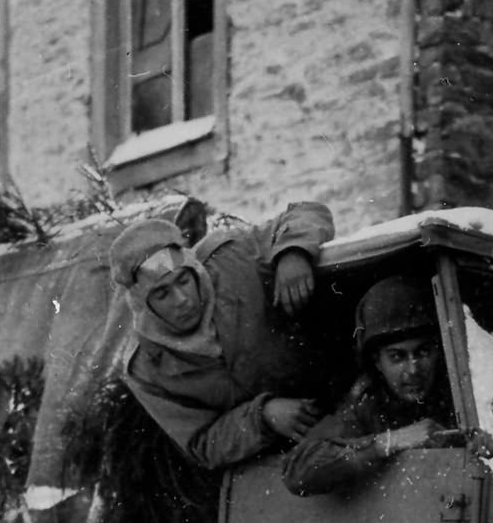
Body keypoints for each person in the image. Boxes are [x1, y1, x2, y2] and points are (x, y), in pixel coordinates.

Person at [112, 199, 335, 470]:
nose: (181, 299)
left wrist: (293, 252)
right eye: (162, 294)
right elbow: (201, 443)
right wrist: (262, 417)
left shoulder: (231, 258)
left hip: (333, 397)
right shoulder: (145, 369)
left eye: (183, 280)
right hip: (268, 455)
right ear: (144, 306)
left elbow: (307, 211)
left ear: (195, 271)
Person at [282, 276, 459, 496]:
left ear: (438, 352)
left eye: (423, 352)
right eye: (397, 357)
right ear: (378, 362)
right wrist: (391, 441)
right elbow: (298, 472)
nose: (413, 370)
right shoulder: (366, 404)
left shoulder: (460, 393)